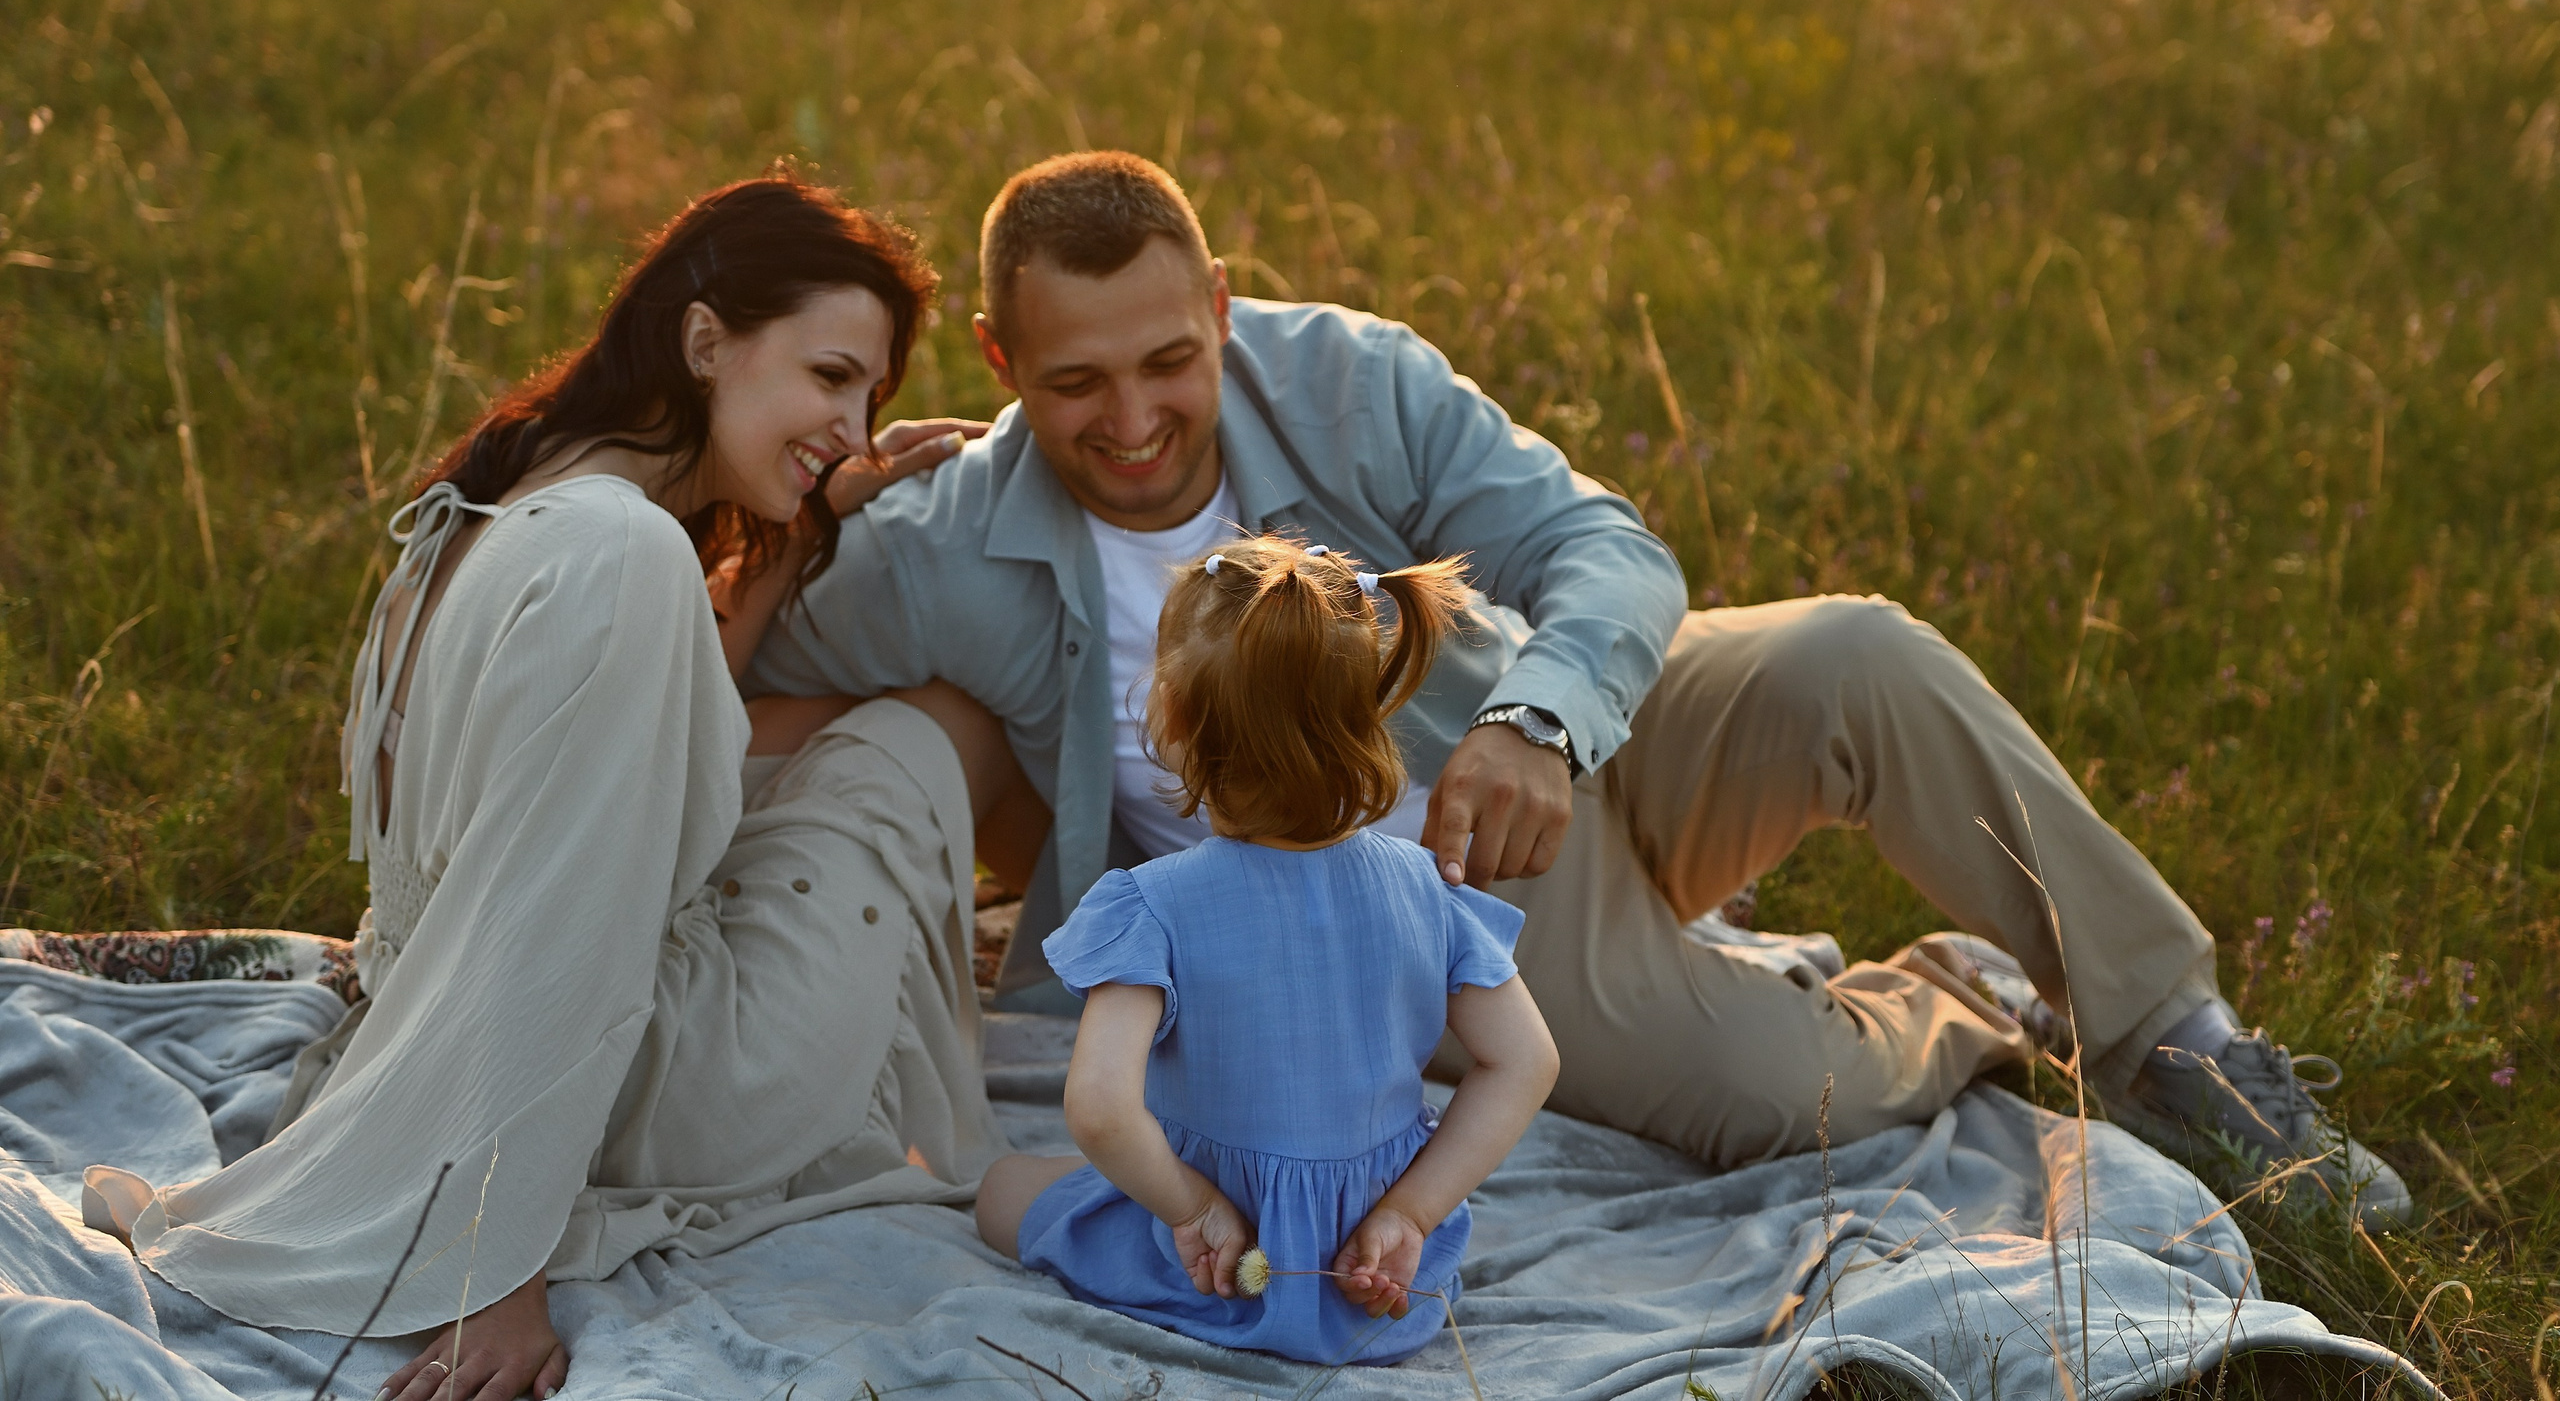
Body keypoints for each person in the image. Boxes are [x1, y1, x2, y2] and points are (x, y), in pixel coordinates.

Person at [753, 148, 2410, 1228]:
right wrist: (811, 512)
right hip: (1443, 900)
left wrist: (1539, 715)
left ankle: (2179, 1039)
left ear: (1221, 311)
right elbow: (722, 680)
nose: (1132, 418)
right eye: (1075, 381)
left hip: (1549, 729)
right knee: (1778, 1096)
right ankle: (1970, 995)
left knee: (1861, 651)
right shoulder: (938, 544)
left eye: (1170, 359)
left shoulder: (1344, 376)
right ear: (994, 363)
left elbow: (1596, 544)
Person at [87, 173, 1032, 1401]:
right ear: (706, 342)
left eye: (869, 397)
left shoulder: (509, 499)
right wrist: (497, 1272)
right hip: (666, 1082)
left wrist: (812, 506)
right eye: (830, 377)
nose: (854, 429)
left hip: (415, 1017)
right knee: (938, 728)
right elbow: (552, 905)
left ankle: (1049, 942)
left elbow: (690, 722)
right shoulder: (620, 554)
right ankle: (1094, 960)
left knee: (845, 730)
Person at [972, 536, 1558, 1365]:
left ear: (1170, 718)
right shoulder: (1429, 888)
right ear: (1372, 714)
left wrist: (1188, 1207)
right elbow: (1526, 1062)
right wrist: (1411, 1214)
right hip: (1370, 1277)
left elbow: (1101, 1109)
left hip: (1212, 1262)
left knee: (1002, 1188)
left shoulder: (1154, 903)